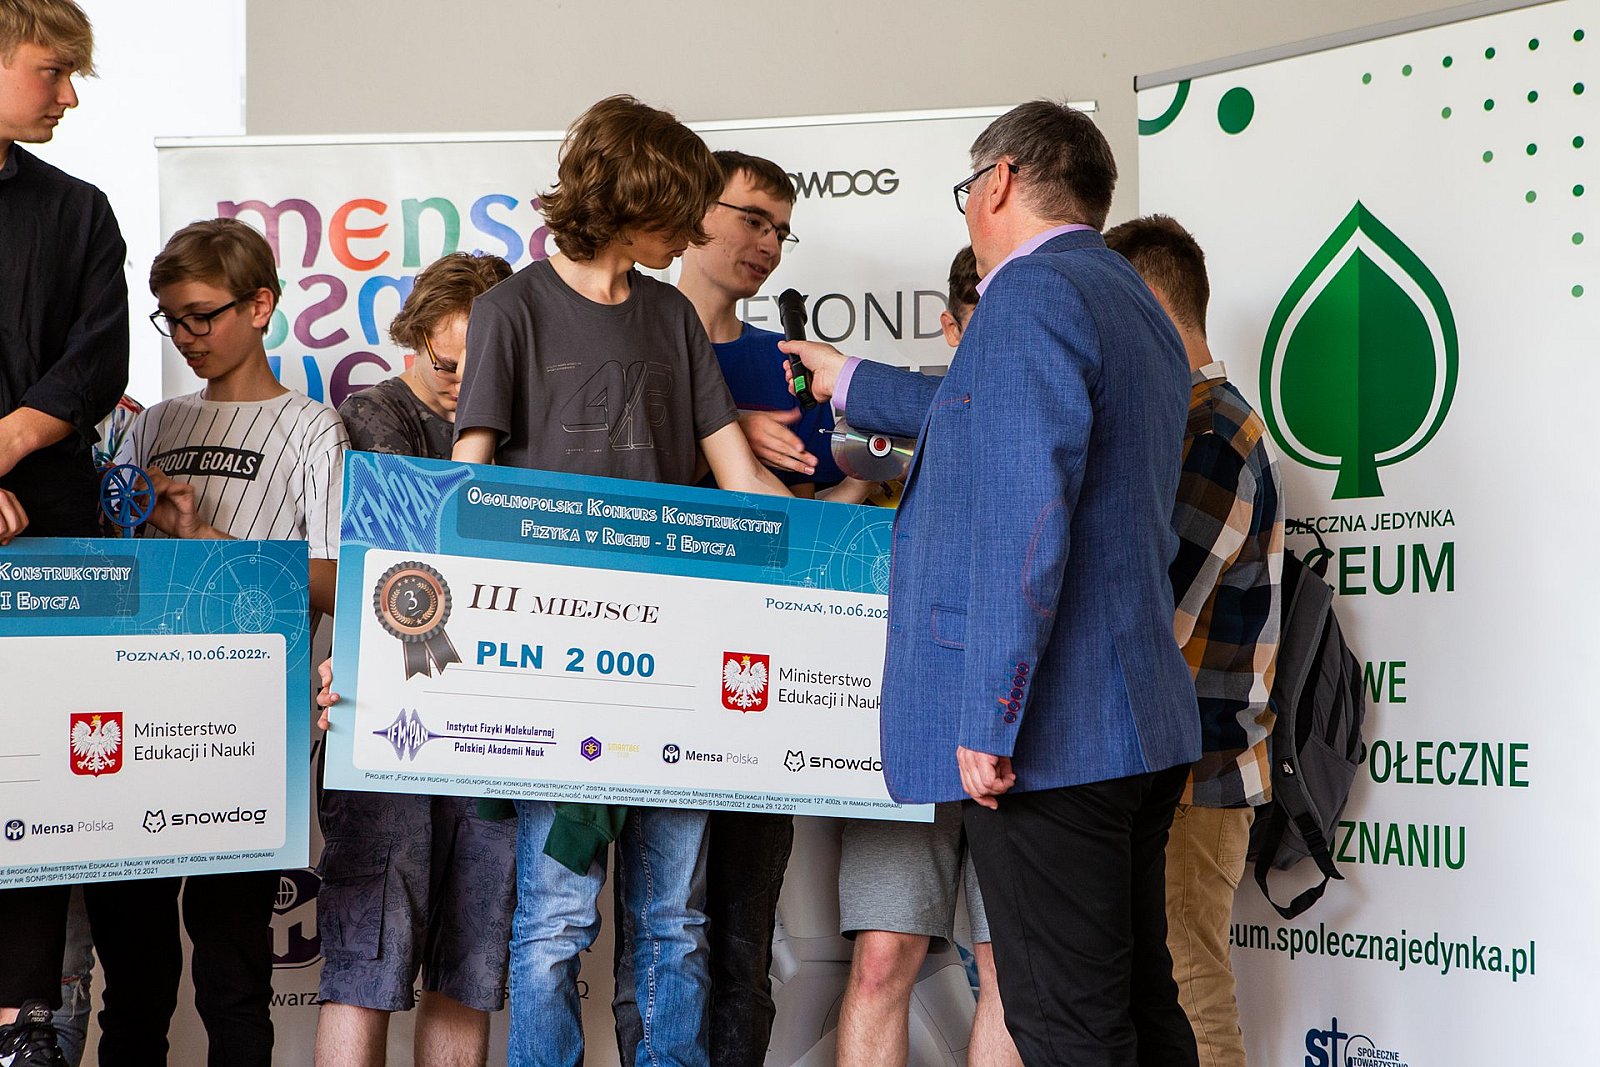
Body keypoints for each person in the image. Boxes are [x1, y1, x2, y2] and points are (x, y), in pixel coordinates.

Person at [782, 100, 1202, 1067]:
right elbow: (987, 409)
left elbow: (1025, 522)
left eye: (968, 189)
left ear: (999, 181)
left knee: (1066, 1027)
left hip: (1053, 737)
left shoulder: (1026, 294)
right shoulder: (1127, 295)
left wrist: (991, 711)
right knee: (1139, 1007)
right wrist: (855, 381)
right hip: (1133, 724)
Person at [450, 95, 792, 1067]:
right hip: (552, 669)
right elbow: (465, 489)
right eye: (680, 212)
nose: (694, 234)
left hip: (674, 663)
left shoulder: (672, 315)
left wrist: (850, 561)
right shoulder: (510, 310)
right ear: (630, 199)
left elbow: (740, 478)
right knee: (554, 921)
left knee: (675, 918)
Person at [107, 217, 348, 1066]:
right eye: (171, 318)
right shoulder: (152, 424)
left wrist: (204, 536)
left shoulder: (312, 428)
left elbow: (338, 580)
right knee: (133, 977)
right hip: (139, 719)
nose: (187, 335)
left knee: (233, 974)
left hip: (248, 730)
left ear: (261, 306)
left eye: (203, 315)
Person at [315, 251, 515, 1067]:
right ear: (413, 336)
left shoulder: (524, 429)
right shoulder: (370, 416)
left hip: (495, 719)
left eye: (485, 369)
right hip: (385, 717)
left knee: (470, 960)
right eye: (448, 363)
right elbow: (407, 553)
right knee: (366, 956)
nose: (465, 384)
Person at [832, 244, 1019, 1067]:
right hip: (912, 718)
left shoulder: (1054, 409)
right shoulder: (884, 430)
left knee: (1009, 969)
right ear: (949, 326)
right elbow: (826, 543)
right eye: (983, 329)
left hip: (1021, 723)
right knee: (882, 957)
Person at [1105, 215, 1283, 1067]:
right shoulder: (1194, 423)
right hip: (1184, 771)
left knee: (1189, 992)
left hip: (1192, 775)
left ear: (1145, 302)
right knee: (1170, 991)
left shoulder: (1207, 431)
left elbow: (1156, 616)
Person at [0, 2, 128, 1063]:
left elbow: (99, 360)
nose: (70, 95)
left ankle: (24, 1021)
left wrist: (2, 445)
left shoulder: (79, 210)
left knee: (40, 773)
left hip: (51, 537)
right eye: (53, 71)